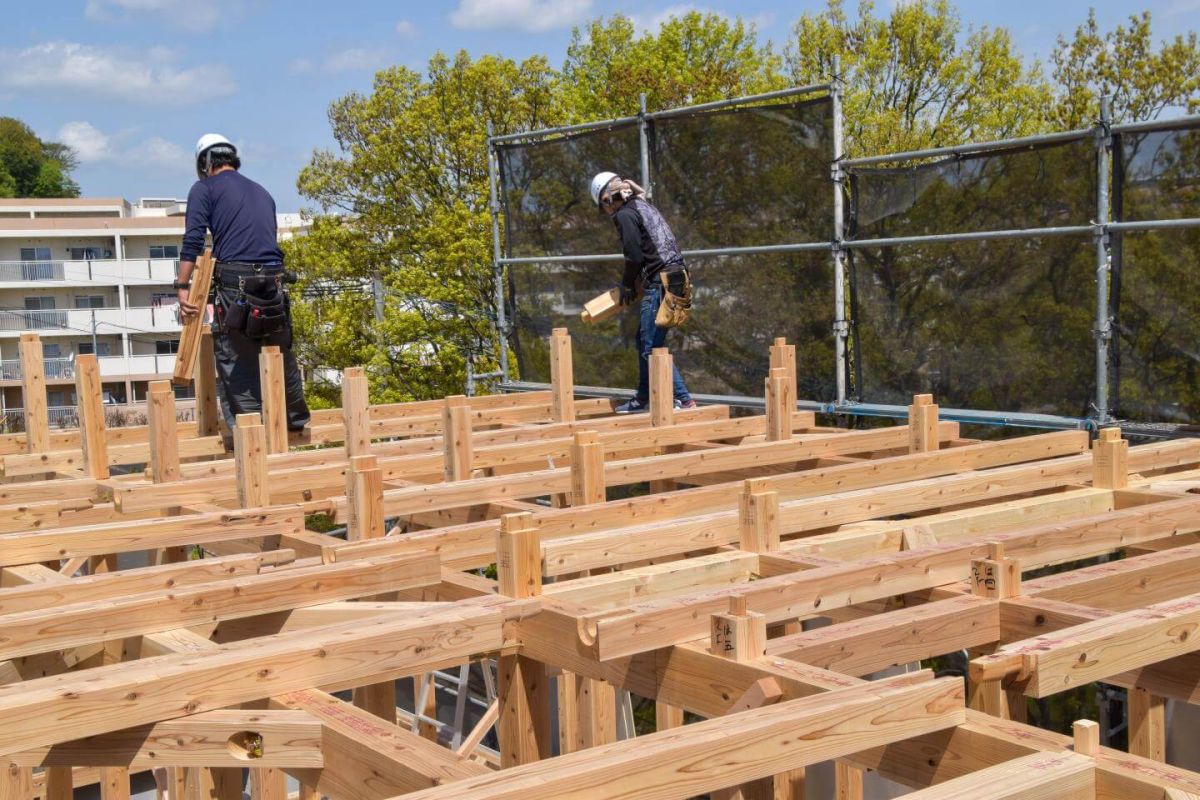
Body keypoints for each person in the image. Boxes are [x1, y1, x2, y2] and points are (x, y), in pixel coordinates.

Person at [176, 133, 310, 437]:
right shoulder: (262, 191)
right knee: (279, 353)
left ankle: (252, 436)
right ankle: (292, 423)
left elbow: (193, 241)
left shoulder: (203, 189)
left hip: (236, 286)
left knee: (236, 361)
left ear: (204, 163)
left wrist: (182, 286)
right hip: (273, 285)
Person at [590, 171, 695, 413]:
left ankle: (680, 399)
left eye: (602, 206)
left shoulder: (625, 214)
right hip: (678, 278)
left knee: (651, 348)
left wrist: (627, 284)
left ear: (607, 199)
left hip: (662, 282)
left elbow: (634, 255)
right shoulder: (642, 205)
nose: (605, 213)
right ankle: (645, 397)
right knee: (647, 341)